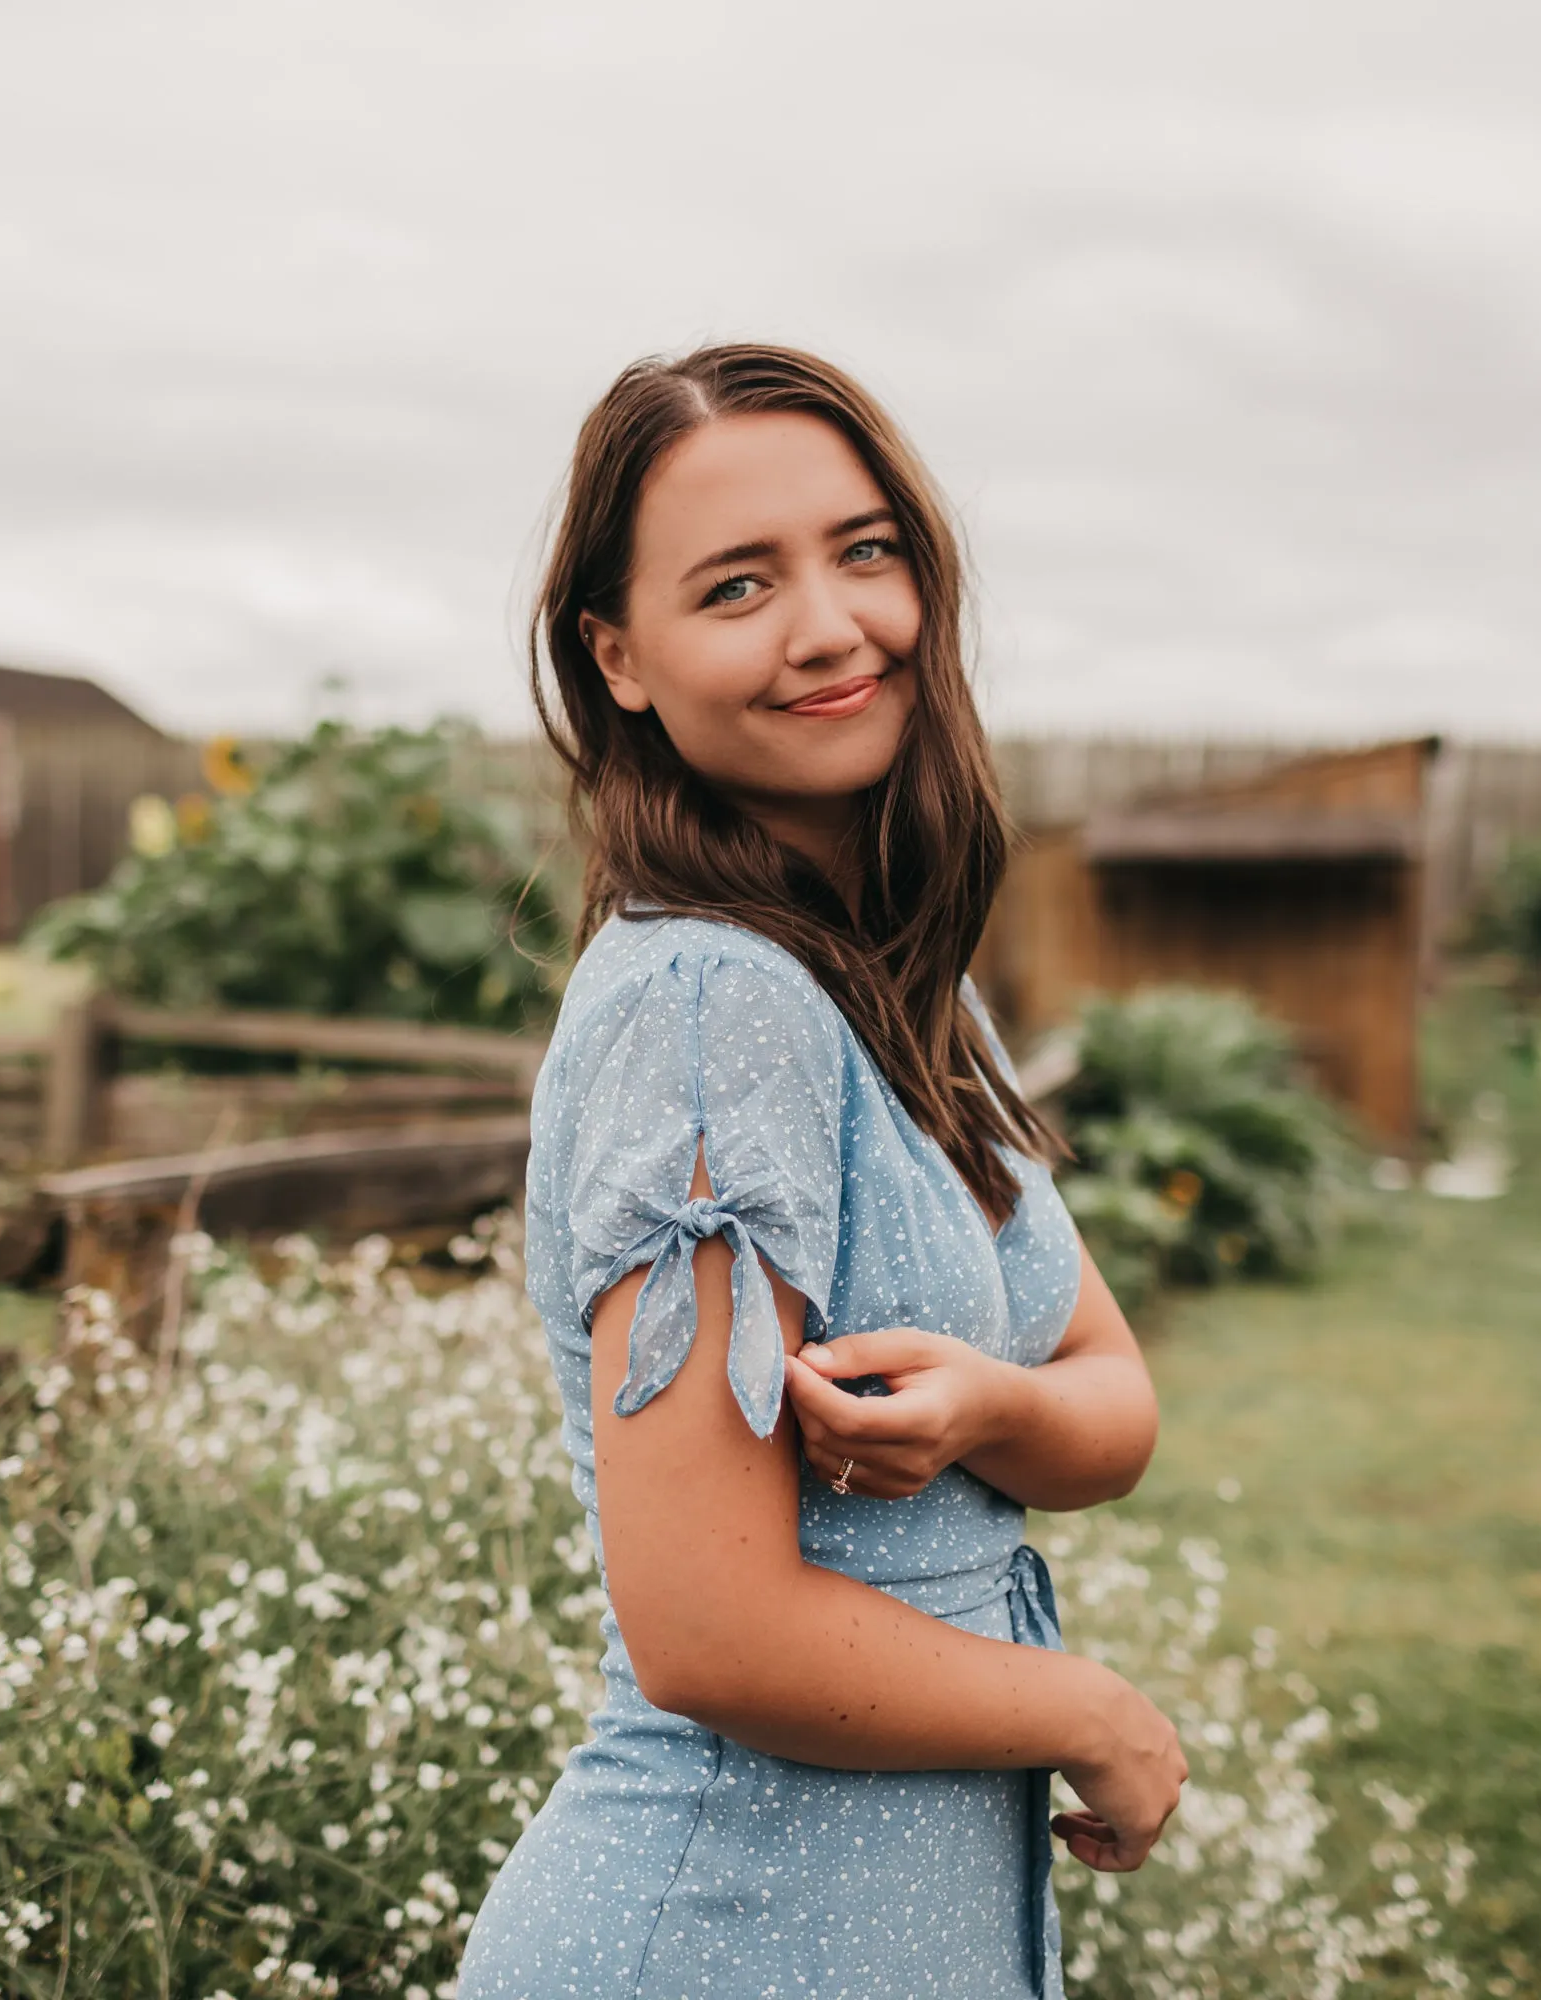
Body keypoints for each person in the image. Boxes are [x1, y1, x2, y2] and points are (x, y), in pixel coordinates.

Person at [456, 344, 1183, 1998]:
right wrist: (1093, 1715)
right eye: (738, 585)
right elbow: (711, 1630)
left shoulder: (903, 985)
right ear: (619, 658)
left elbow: (1113, 1401)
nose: (832, 626)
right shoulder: (712, 1002)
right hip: (721, 1931)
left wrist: (988, 1409)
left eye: (864, 551)